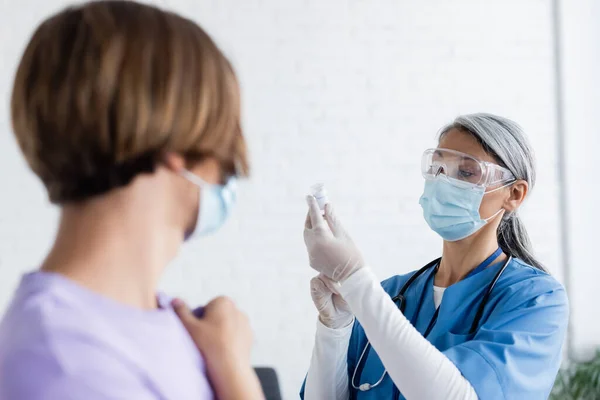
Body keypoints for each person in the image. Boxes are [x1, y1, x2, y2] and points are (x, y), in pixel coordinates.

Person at [0, 1, 264, 399]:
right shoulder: (64, 365)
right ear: (176, 141)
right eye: (222, 130)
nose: (230, 164)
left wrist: (230, 365)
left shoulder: (162, 320)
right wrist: (238, 379)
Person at [300, 114, 569, 399]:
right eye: (438, 168)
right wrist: (335, 329)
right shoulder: (391, 295)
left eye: (466, 173)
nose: (443, 182)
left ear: (514, 194)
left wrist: (354, 278)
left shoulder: (535, 300)